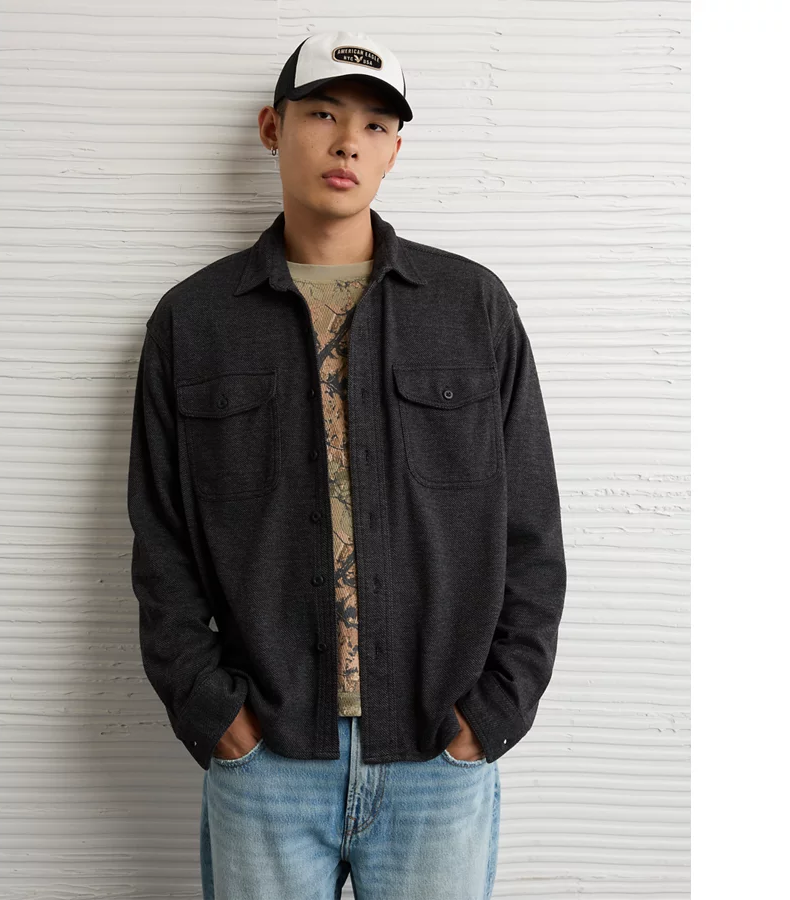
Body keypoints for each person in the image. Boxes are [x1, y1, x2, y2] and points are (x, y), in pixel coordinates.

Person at [127, 29, 567, 900]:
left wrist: (492, 713)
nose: (348, 144)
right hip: (267, 761)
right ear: (272, 128)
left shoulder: (472, 308)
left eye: (374, 126)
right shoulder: (194, 322)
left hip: (437, 757)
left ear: (395, 150)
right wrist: (218, 718)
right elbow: (162, 542)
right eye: (323, 115)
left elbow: (531, 531)